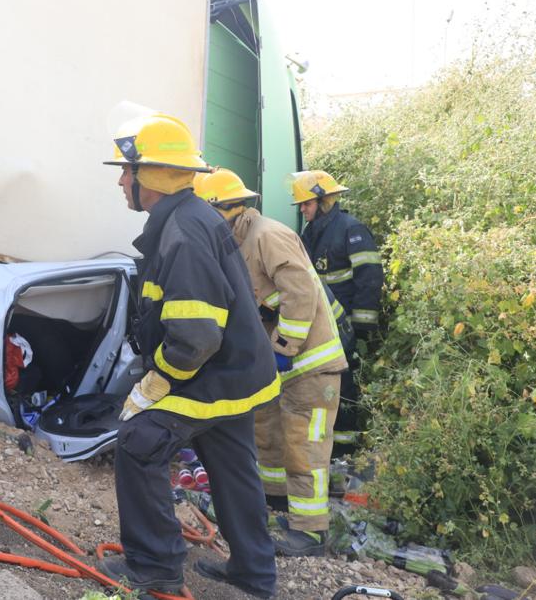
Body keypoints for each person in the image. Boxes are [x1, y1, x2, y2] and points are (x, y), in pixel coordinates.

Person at [98, 113, 280, 598]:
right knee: (233, 465)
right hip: (238, 371)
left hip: (212, 370)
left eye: (126, 172)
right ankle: (254, 575)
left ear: (151, 177)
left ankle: (156, 566)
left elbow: (196, 336)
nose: (120, 180)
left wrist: (157, 383)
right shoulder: (187, 218)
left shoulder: (183, 231)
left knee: (140, 440)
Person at [194, 168, 348, 557]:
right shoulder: (239, 240)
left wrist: (284, 347)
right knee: (269, 436)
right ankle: (282, 507)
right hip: (282, 363)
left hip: (311, 364)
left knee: (304, 446)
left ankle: (310, 533)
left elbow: (299, 292)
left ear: (226, 209)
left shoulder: (268, 235)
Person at [289, 170, 383, 444]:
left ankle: (345, 449)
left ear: (323, 201)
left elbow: (370, 278)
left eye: (306, 204)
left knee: (345, 386)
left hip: (345, 327)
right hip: (322, 325)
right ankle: (327, 444)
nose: (303, 210)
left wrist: (362, 327)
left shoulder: (350, 229)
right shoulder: (312, 233)